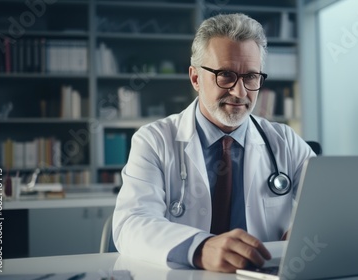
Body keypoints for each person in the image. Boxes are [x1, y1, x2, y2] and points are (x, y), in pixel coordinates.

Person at [112, 13, 315, 273]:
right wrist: (200, 248)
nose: (240, 92)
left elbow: (331, 204)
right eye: (226, 75)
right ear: (196, 78)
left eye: (251, 77)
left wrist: (306, 230)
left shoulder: (284, 141)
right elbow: (131, 223)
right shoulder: (154, 140)